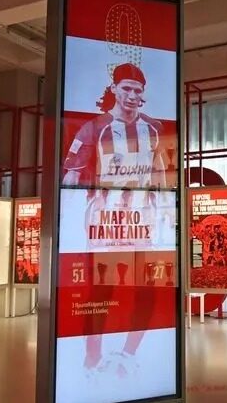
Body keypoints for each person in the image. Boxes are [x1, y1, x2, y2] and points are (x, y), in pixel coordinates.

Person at [61, 62, 171, 381]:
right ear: (114, 89)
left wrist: (167, 209)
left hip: (143, 223)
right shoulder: (94, 128)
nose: (133, 95)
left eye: (138, 90)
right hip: (105, 222)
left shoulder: (153, 128)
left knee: (146, 291)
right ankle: (92, 357)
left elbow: (161, 171)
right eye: (126, 89)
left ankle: (128, 355)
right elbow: (71, 175)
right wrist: (63, 215)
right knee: (100, 291)